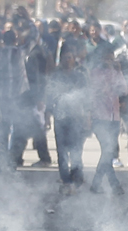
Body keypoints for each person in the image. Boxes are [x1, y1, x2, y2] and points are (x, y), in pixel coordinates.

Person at [47, 47, 88, 194]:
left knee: (76, 149)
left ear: (74, 59)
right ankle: (66, 180)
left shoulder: (80, 77)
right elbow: (49, 97)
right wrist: (47, 116)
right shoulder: (55, 77)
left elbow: (87, 97)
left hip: (76, 117)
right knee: (62, 151)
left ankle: (77, 176)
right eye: (65, 58)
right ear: (61, 60)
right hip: (60, 117)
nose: (67, 60)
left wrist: (87, 116)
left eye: (70, 57)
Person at [89, 45, 127, 194]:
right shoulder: (95, 73)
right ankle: (112, 185)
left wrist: (118, 72)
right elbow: (94, 91)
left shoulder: (117, 72)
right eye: (107, 57)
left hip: (114, 117)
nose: (109, 60)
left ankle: (99, 185)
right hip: (100, 117)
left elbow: (124, 89)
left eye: (111, 57)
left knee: (108, 152)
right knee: (107, 150)